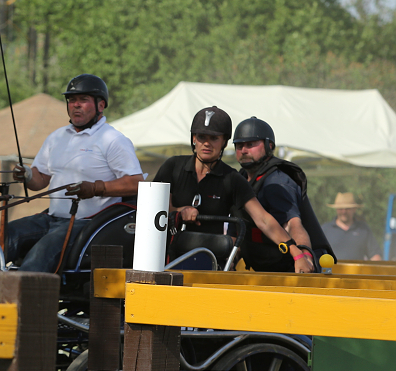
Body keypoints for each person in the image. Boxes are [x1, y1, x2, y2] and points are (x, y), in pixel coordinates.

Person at [3, 74, 144, 272]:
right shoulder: (56, 137)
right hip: (51, 218)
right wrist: (27, 175)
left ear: (101, 105)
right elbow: (40, 180)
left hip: (89, 223)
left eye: (83, 100)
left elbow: (136, 183)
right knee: (3, 238)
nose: (75, 105)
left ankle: (22, 299)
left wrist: (96, 188)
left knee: (39, 256)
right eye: (71, 100)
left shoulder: (113, 139)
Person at [152, 106, 314, 273]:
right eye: (201, 137)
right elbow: (150, 208)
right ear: (194, 139)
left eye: (214, 138)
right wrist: (179, 210)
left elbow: (264, 220)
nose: (206, 143)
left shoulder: (233, 179)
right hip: (161, 260)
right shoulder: (173, 167)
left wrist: (297, 255)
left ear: (224, 142)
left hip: (209, 265)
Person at [233, 117, 320, 272]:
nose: (244, 150)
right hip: (260, 270)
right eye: (239, 145)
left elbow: (292, 223)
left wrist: (303, 256)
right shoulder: (241, 179)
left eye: (250, 144)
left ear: (269, 146)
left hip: (285, 271)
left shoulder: (276, 182)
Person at [321, 193, 382, 261]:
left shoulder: (363, 229)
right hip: (332, 271)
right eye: (340, 209)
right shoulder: (325, 229)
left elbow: (375, 255)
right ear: (336, 209)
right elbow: (317, 253)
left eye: (347, 209)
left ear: (354, 209)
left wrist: (377, 270)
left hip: (358, 271)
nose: (344, 212)